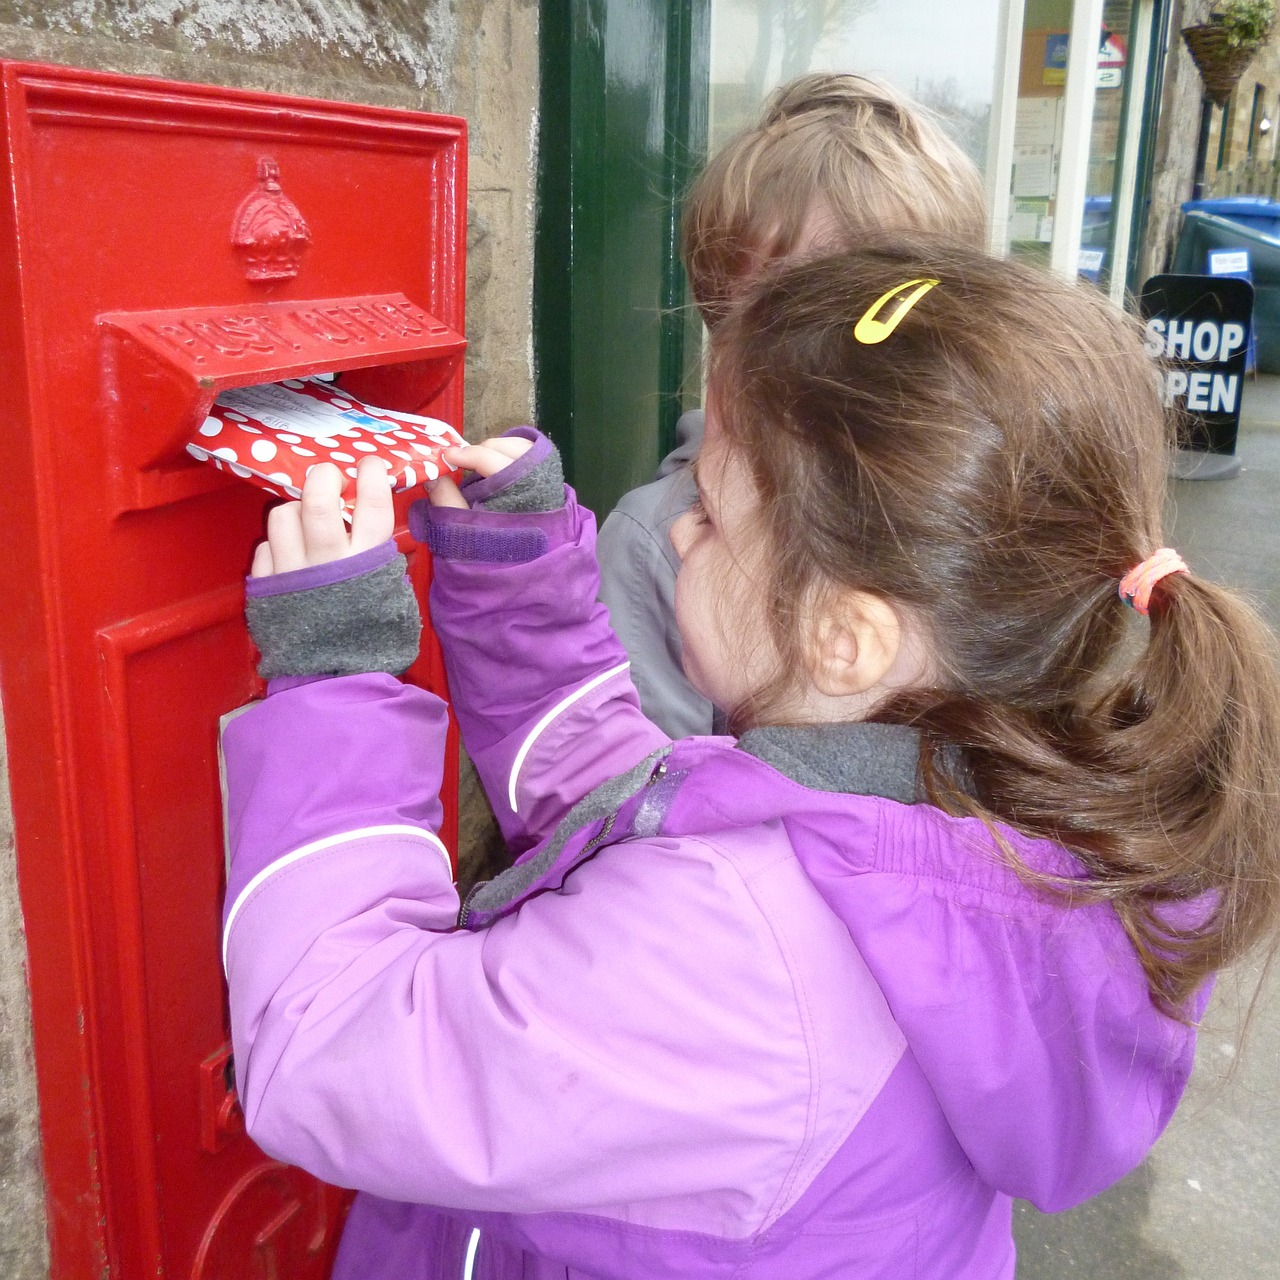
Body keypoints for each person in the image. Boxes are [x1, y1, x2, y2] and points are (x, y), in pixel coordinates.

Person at [222, 241, 1280, 1279]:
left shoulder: (736, 956)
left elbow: (330, 1048)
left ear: (843, 636)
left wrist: (338, 681)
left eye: (713, 512)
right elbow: (628, 805)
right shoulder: (953, 830)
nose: (677, 531)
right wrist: (519, 586)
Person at [597, 72, 988, 737]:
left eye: (891, 312)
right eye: (785, 319)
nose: (840, 363)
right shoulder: (660, 544)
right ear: (725, 327)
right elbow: (637, 791)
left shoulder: (977, 506)